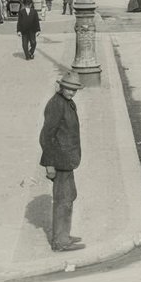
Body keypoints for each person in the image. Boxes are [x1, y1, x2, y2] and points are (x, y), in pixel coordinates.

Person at [39, 71, 84, 252]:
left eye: (74, 90)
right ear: (61, 86)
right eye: (69, 88)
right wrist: (49, 164)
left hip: (67, 160)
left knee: (69, 197)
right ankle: (60, 241)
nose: (72, 92)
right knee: (63, 200)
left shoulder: (67, 102)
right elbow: (45, 136)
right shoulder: (56, 105)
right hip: (59, 161)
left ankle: (64, 234)